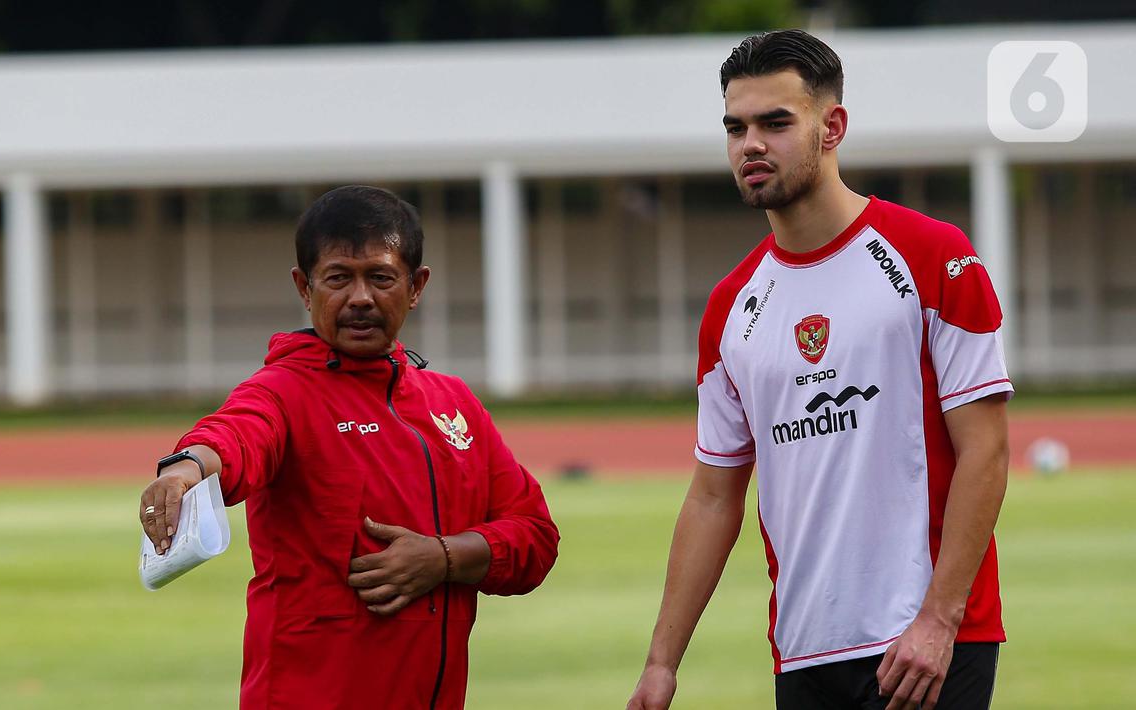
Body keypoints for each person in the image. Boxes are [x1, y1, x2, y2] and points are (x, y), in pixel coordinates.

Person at [627, 30, 1011, 710]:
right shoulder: (728, 308)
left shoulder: (932, 256)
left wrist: (938, 617)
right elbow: (713, 496)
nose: (750, 145)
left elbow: (983, 448)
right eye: (735, 127)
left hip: (921, 646)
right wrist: (661, 664)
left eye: (775, 123)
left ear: (830, 127)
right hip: (801, 650)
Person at [139, 185, 560, 710]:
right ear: (304, 286)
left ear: (415, 286)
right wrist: (185, 468)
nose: (360, 297)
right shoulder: (284, 390)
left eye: (381, 277)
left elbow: (537, 538)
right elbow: (237, 432)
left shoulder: (453, 403)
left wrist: (445, 557)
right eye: (338, 278)